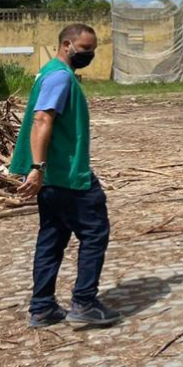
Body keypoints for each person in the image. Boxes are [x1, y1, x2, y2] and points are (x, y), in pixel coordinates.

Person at [10, 23, 122, 328]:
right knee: (95, 232)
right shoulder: (60, 77)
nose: (90, 54)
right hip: (67, 175)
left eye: (93, 49)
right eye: (85, 49)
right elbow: (42, 118)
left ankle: (43, 307)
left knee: (52, 237)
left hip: (52, 178)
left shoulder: (49, 72)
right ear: (66, 45)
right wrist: (38, 167)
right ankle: (84, 302)